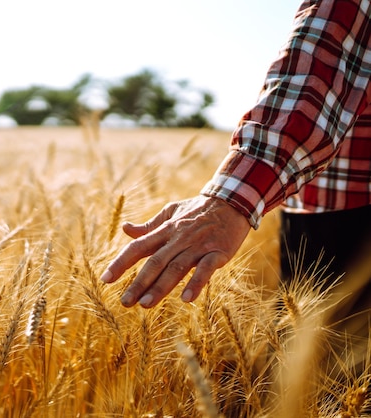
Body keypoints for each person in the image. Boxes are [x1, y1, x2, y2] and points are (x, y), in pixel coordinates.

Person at [100, 0, 371, 316]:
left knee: (333, 357)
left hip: (346, 212)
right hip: (337, 203)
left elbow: (326, 63)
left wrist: (227, 201)